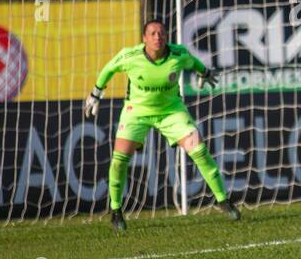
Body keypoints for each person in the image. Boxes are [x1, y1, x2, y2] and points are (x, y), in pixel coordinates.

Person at [84, 18, 238, 229]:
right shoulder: (130, 56)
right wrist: (96, 93)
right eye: (153, 34)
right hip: (136, 112)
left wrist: (205, 73)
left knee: (199, 150)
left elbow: (193, 62)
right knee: (119, 160)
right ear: (144, 38)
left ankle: (223, 200)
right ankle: (116, 210)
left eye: (162, 33)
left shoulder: (178, 54)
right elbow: (108, 69)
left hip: (171, 111)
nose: (158, 37)